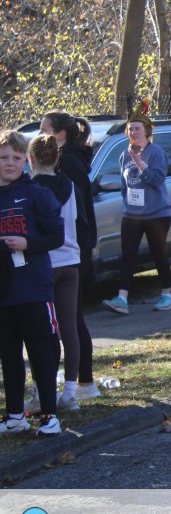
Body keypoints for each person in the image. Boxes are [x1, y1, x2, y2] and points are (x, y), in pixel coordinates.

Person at [0, 131, 64, 436]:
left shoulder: (36, 193)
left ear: (26, 160)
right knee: (9, 354)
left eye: (16, 158)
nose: (10, 163)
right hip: (4, 292)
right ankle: (15, 416)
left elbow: (57, 236)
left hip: (34, 289)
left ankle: (49, 416)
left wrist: (27, 244)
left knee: (40, 352)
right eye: (3, 158)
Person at [39, 111, 99, 401]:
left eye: (44, 130)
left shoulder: (68, 164)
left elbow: (78, 214)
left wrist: (80, 248)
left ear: (60, 135)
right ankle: (80, 383)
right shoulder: (68, 160)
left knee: (71, 321)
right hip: (72, 251)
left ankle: (84, 382)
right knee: (71, 319)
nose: (40, 135)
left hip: (70, 253)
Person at [26, 134, 83, 414]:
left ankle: (41, 391)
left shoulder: (32, 188)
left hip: (44, 263)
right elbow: (78, 220)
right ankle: (70, 393)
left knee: (43, 331)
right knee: (69, 329)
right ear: (57, 158)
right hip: (70, 261)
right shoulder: (69, 185)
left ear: (31, 159)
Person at [101, 112, 171, 315]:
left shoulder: (156, 152)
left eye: (137, 128)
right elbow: (124, 185)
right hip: (132, 215)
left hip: (156, 214)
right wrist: (127, 204)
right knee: (128, 256)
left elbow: (157, 180)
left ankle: (167, 295)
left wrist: (140, 163)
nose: (133, 132)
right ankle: (121, 299)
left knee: (159, 254)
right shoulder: (124, 155)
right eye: (130, 129)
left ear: (146, 131)